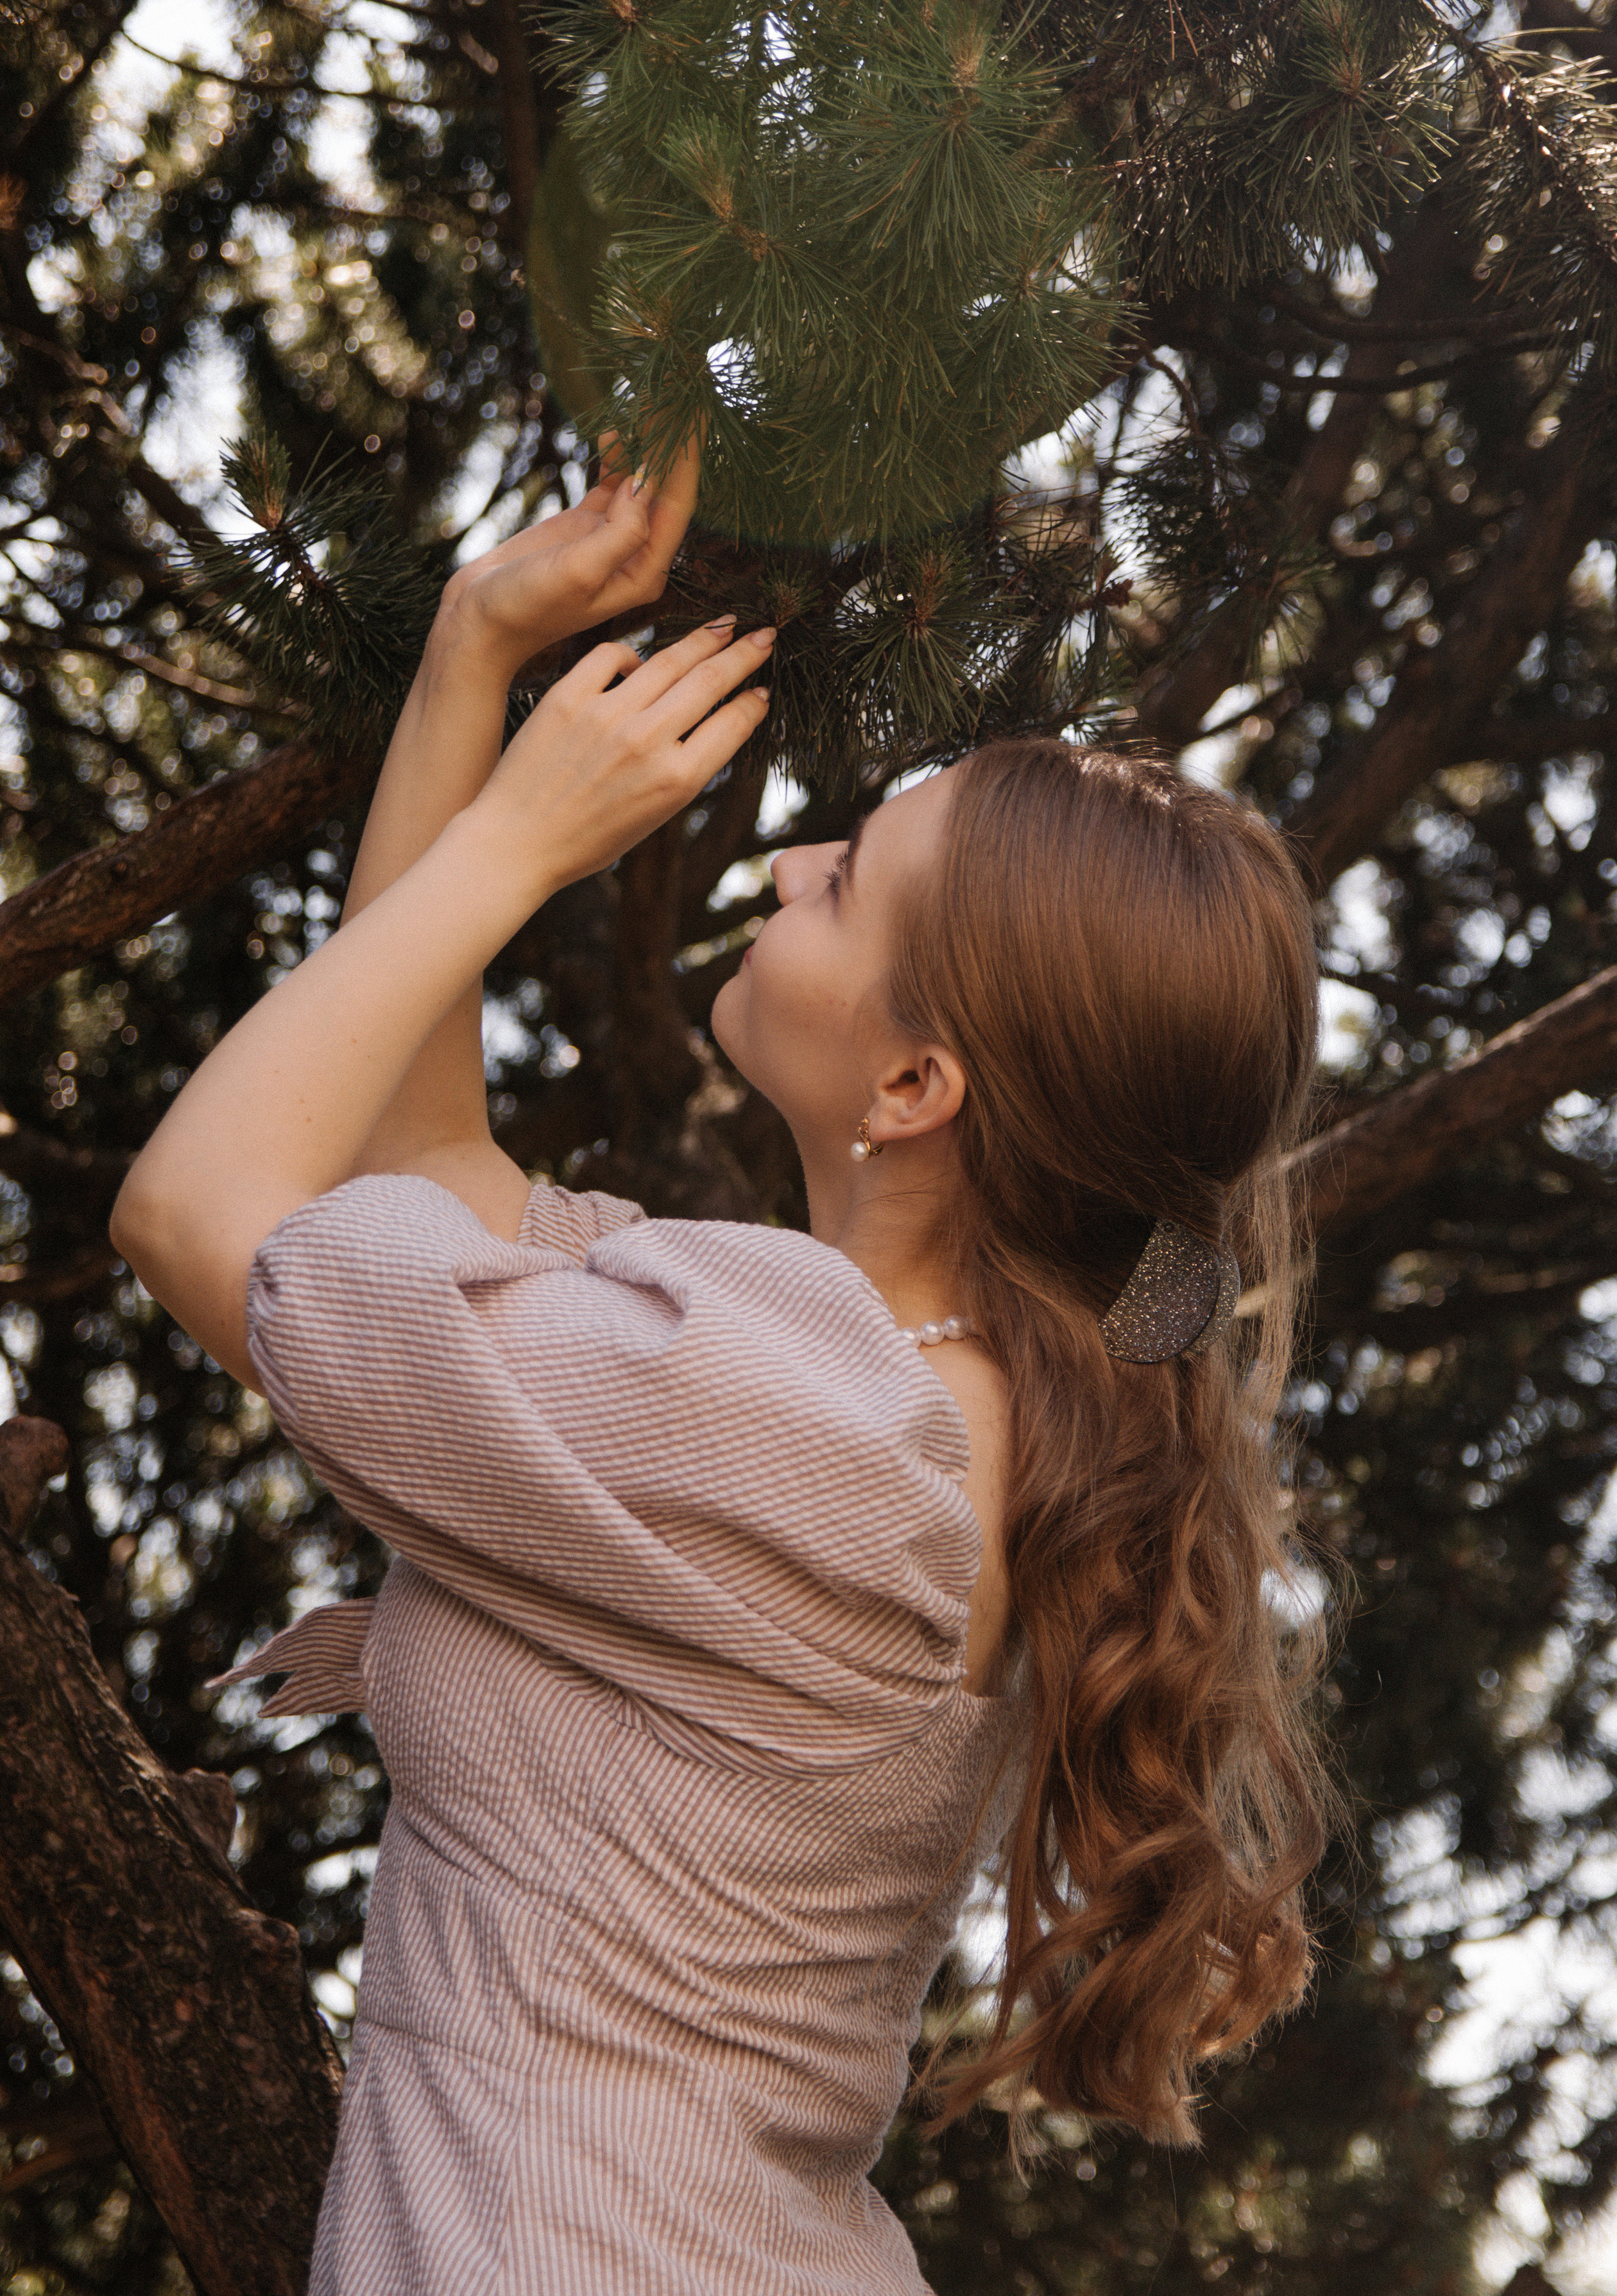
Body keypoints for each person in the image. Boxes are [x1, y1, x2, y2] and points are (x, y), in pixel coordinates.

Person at [112, 443, 1331, 2295]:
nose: (781, 857)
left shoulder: (812, 1429)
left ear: (918, 1088)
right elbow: (422, 1168)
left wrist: (526, 842)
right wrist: (468, 658)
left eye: (843, 883)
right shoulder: (893, 1399)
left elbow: (201, 1212)